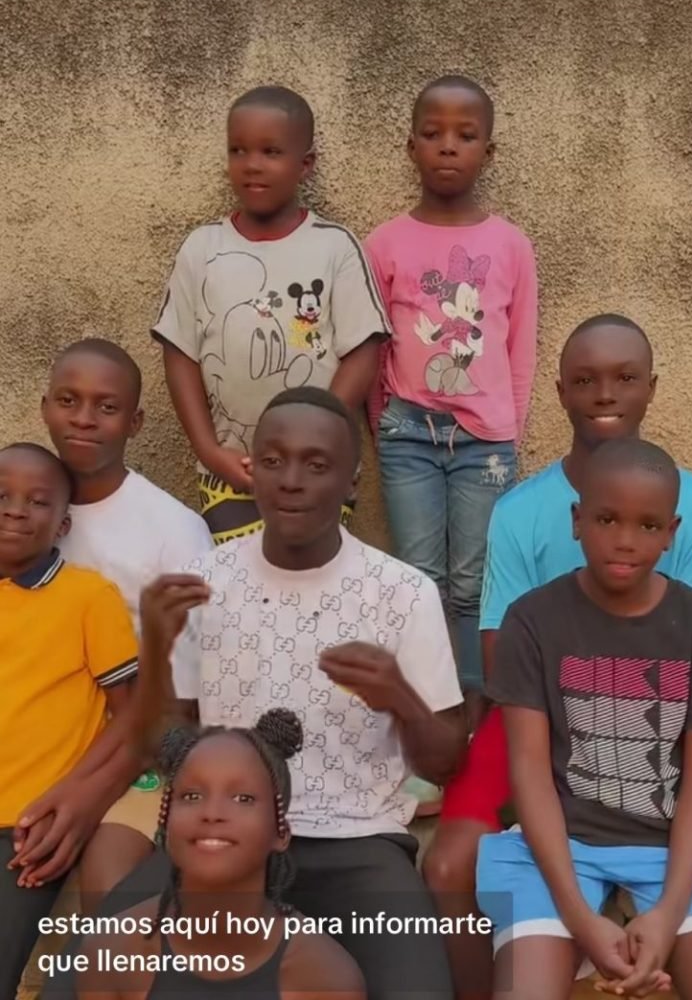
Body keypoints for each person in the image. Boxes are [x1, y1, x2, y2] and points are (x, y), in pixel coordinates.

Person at [423, 313, 692, 998]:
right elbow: (503, 657)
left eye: (624, 379)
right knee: (448, 866)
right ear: (560, 390)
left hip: (679, 714)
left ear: (650, 389)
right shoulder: (520, 514)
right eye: (586, 381)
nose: (605, 395)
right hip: (542, 703)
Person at [78, 386, 465, 1000]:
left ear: (351, 479)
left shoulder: (402, 592)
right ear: (251, 470)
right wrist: (153, 643)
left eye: (317, 464)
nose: (292, 480)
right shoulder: (204, 583)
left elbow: (445, 760)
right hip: (221, 839)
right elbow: (163, 748)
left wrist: (402, 698)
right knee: (78, 971)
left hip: (354, 845)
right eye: (275, 459)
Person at [477, 438, 692, 1000]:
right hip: (560, 848)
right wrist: (581, 920)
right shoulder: (531, 621)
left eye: (648, 526)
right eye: (607, 519)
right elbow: (531, 775)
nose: (626, 541)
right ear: (577, 520)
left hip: (680, 853)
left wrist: (668, 915)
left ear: (673, 531)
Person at [365, 75, 538, 723]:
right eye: (432, 134)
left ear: (487, 152)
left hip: (484, 444)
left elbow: (519, 348)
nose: (447, 147)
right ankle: (423, 709)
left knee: (471, 583)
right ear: (409, 146)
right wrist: (382, 424)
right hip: (407, 434)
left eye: (465, 136)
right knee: (416, 577)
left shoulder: (509, 245)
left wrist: (505, 431)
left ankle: (469, 704)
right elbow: (374, 347)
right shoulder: (382, 244)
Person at [152, 85, 390, 545]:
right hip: (231, 469)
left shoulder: (335, 247)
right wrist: (208, 449)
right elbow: (180, 353)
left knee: (312, 589)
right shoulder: (202, 249)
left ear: (306, 164)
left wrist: (320, 435)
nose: (252, 164)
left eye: (271, 151)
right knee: (243, 596)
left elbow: (364, 351)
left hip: (319, 467)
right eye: (238, 150)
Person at [36, 337, 214, 904]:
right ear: (44, 407)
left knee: (106, 886)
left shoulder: (172, 530)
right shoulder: (22, 512)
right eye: (68, 400)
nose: (83, 419)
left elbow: (179, 694)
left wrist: (91, 793)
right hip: (35, 739)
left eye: (106, 407)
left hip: (134, 751)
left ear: (135, 422)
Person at [76, 705, 366, 1000]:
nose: (212, 813)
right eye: (192, 796)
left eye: (243, 798)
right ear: (164, 824)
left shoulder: (324, 978)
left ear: (280, 833)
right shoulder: (111, 953)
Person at [0, 442, 140, 999]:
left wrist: (79, 797)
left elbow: (132, 719)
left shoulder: (87, 597)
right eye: (2, 496)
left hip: (28, 829)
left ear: (61, 525)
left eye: (36, 502)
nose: (15, 510)